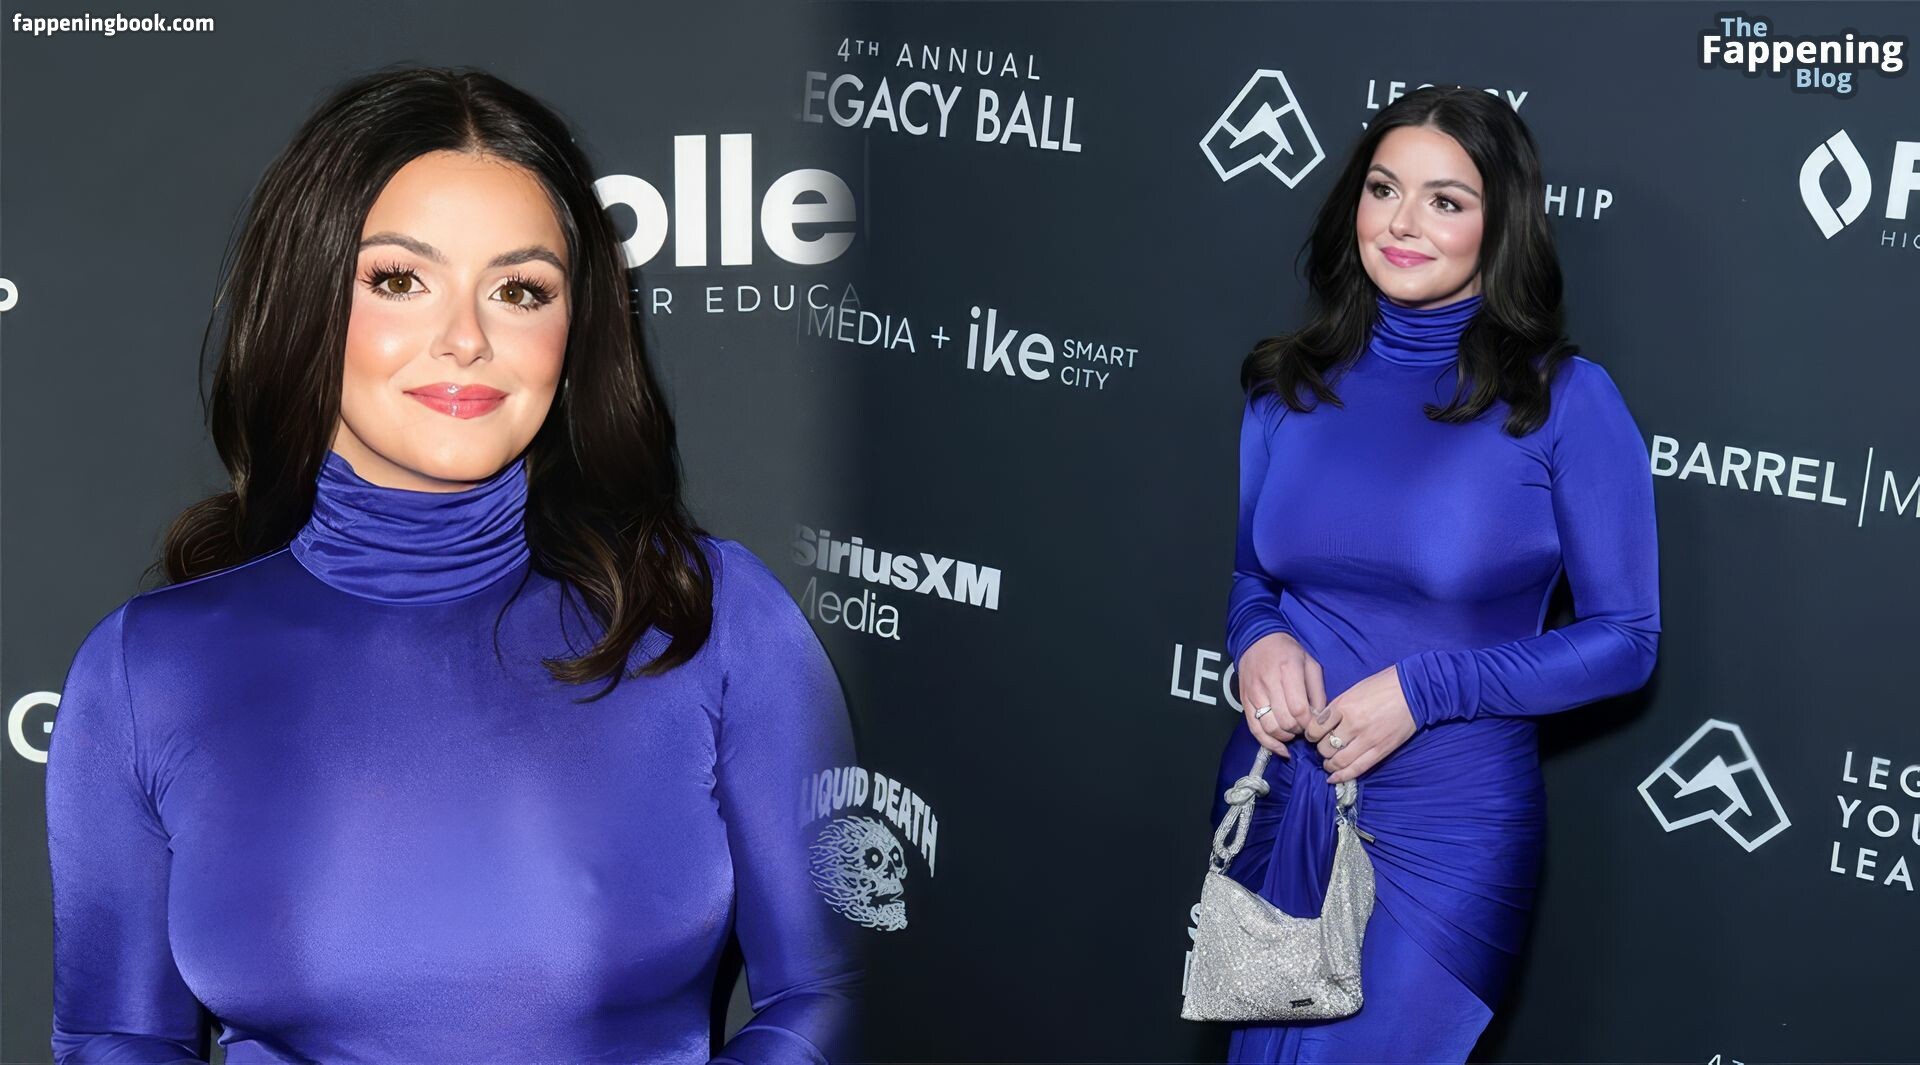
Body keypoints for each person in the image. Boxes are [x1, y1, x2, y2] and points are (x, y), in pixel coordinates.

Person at [43, 65, 860, 1064]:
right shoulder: (147, 671)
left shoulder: (708, 617)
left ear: (574, 330)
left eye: (520, 290)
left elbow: (835, 989)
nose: (467, 338)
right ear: (305, 302)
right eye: (400, 280)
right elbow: (116, 1035)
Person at [1213, 86, 1660, 1062]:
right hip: (1280, 787)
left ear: (1502, 227)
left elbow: (1627, 641)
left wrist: (1426, 688)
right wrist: (1259, 638)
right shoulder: (1286, 385)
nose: (1403, 222)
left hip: (1445, 826)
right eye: (1383, 189)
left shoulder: (1563, 401)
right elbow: (1253, 577)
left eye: (1446, 200)